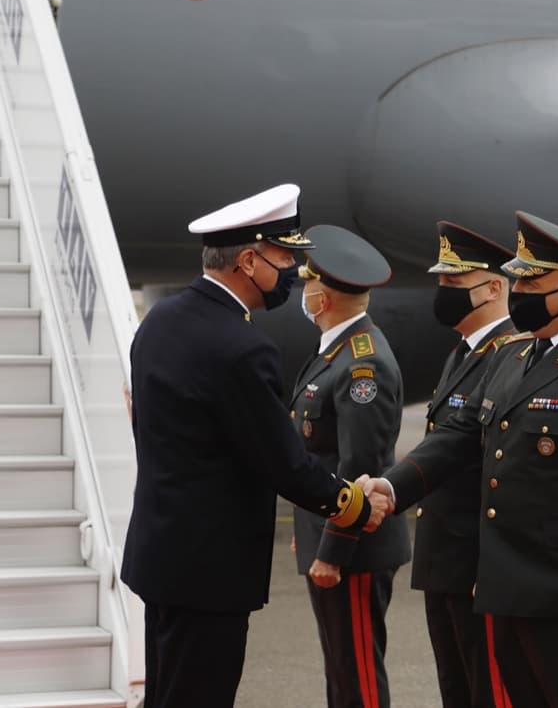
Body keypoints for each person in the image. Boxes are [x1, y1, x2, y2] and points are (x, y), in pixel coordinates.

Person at [363, 211, 558, 708]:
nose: (518, 291)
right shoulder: (514, 355)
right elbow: (458, 437)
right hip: (503, 586)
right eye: (517, 279)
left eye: (532, 281)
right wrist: (392, 488)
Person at [121, 184, 386, 708]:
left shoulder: (161, 320)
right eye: (285, 256)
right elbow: (283, 463)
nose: (292, 270)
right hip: (211, 569)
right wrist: (352, 504)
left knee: (168, 693)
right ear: (248, 259)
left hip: (162, 554)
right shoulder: (242, 347)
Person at [289, 224, 412, 708]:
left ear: (324, 294)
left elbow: (359, 464)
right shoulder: (335, 351)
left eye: (308, 282)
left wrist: (333, 550)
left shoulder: (363, 364)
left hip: (355, 547)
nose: (304, 291)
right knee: (341, 669)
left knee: (357, 670)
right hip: (333, 532)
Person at [414, 220, 516, 708]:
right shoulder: (463, 352)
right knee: (455, 688)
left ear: (494, 287)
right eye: (442, 284)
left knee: (485, 690)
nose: (443, 293)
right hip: (444, 559)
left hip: (475, 562)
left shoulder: (509, 354)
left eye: (454, 284)